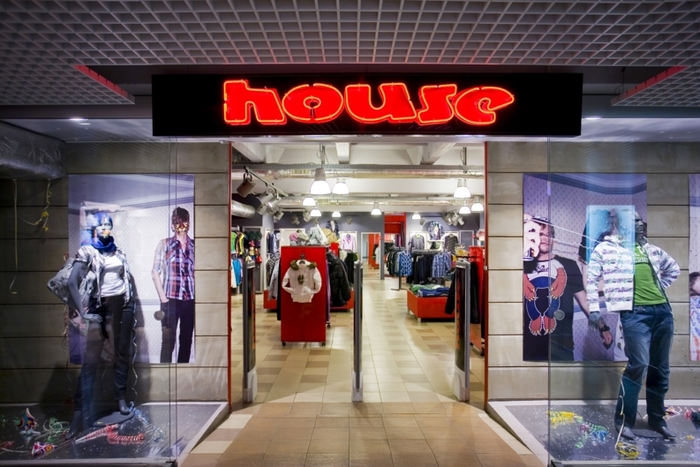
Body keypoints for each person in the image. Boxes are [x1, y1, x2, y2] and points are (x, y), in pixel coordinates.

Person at [586, 212, 680, 440]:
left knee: (661, 369)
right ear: (620, 224)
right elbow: (591, 279)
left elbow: (674, 269)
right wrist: (595, 309)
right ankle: (623, 420)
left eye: (639, 221)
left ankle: (657, 419)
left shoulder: (651, 250)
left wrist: (658, 288)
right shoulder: (605, 249)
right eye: (633, 221)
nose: (639, 224)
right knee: (638, 365)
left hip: (662, 312)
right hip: (635, 314)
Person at [65, 212, 135, 439]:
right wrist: (83, 312)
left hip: (122, 305)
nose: (106, 228)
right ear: (94, 228)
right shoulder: (87, 251)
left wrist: (129, 303)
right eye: (102, 225)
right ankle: (78, 412)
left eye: (108, 225)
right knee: (91, 359)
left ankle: (120, 398)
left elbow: (125, 279)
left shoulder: (119, 252)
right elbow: (71, 282)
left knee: (121, 353)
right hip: (100, 307)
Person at [523, 217, 613, 361]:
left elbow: (585, 302)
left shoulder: (568, 265)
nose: (545, 238)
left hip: (561, 346)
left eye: (549, 234)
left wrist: (603, 327)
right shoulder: (522, 266)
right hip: (529, 346)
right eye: (540, 234)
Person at [152, 207, 195, 364]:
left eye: (184, 222)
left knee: (186, 339)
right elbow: (155, 272)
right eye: (177, 222)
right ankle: (165, 373)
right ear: (172, 225)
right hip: (170, 299)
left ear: (189, 223)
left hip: (190, 299)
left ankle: (182, 372)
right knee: (168, 341)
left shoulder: (194, 246)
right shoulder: (165, 244)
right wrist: (163, 299)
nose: (181, 226)